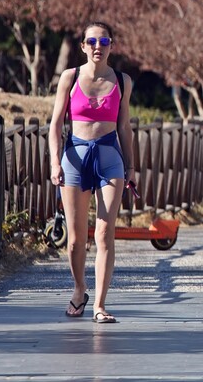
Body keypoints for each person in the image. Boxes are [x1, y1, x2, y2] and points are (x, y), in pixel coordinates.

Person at [48, 22, 135, 324]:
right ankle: (79, 289)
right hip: (74, 158)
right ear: (83, 46)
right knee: (75, 239)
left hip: (110, 159)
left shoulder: (122, 81)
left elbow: (124, 126)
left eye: (105, 41)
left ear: (112, 46)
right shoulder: (70, 77)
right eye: (93, 41)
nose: (99, 46)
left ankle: (99, 304)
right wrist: (55, 162)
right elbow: (55, 124)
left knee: (104, 233)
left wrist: (130, 166)